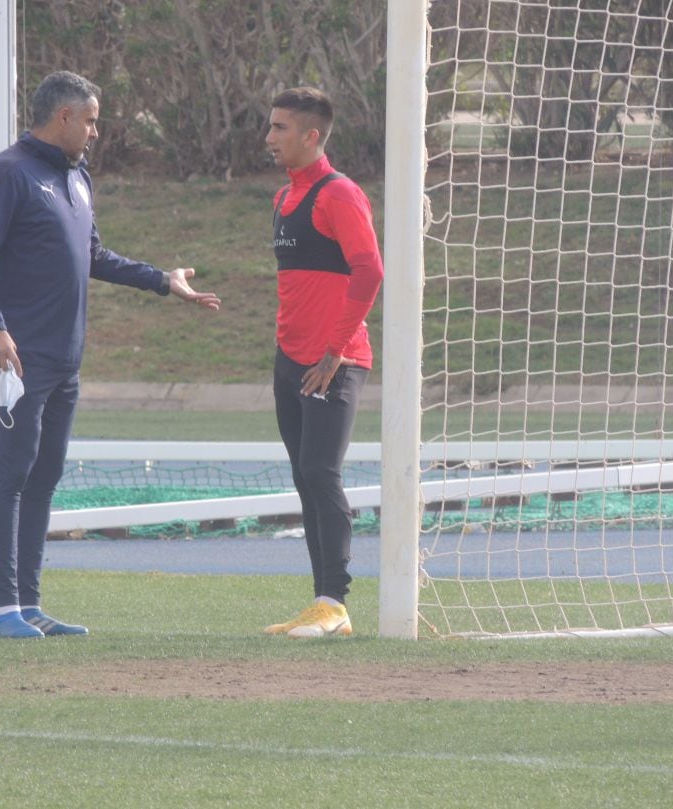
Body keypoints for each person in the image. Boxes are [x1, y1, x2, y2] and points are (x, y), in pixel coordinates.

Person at [0, 71, 220, 638]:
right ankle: (5, 610)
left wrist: (160, 280)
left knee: (45, 476)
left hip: (64, 363)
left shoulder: (77, 177)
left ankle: (30, 605)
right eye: (93, 120)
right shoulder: (8, 174)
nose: (97, 131)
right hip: (17, 360)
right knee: (10, 477)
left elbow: (93, 254)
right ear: (64, 118)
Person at [262, 87, 384, 639]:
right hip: (290, 361)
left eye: (281, 128)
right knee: (303, 477)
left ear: (312, 136)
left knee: (320, 472)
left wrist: (335, 349)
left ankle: (335, 603)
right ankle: (320, 603)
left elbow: (369, 271)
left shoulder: (340, 194)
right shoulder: (284, 199)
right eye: (270, 126)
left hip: (334, 361)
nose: (270, 138)